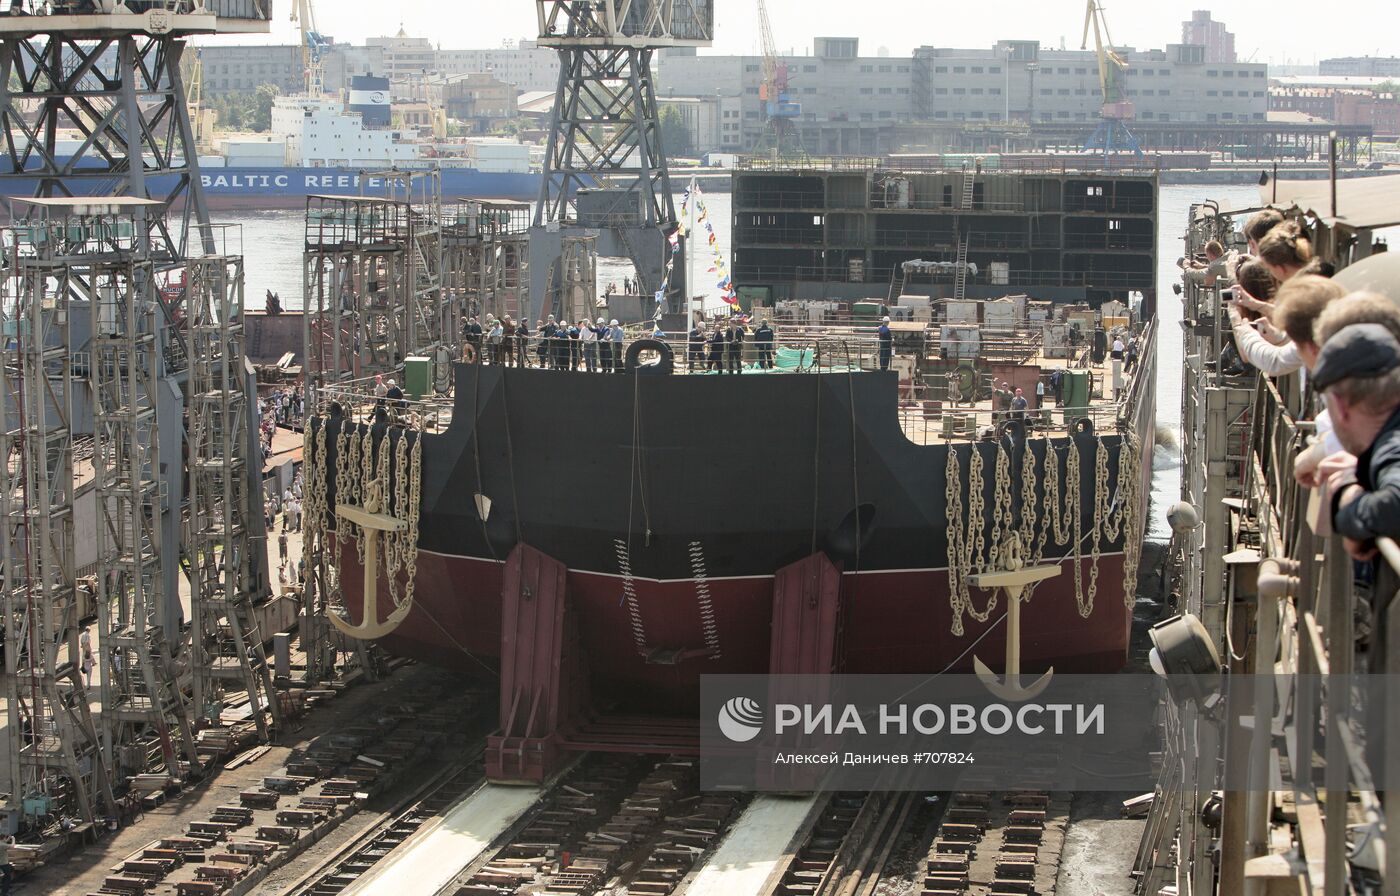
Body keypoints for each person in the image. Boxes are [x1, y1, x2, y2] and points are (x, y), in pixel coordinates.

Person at [1317, 324, 1400, 561]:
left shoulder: (1392, 445)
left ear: (1341, 407)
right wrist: (1361, 470)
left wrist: (1349, 500)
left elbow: (1395, 505)